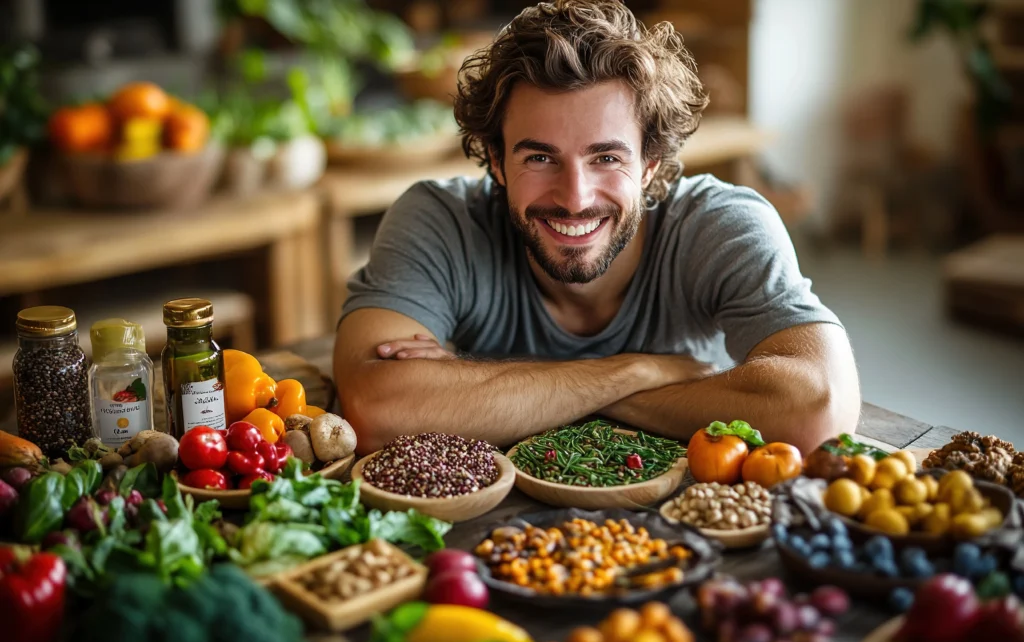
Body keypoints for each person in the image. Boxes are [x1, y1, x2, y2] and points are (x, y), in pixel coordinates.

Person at [334, 0, 860, 456]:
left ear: (651, 163)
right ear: (495, 161)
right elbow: (379, 407)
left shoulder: (721, 225)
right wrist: (642, 371)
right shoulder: (438, 220)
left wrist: (467, 387)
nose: (575, 198)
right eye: (540, 158)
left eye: (606, 157)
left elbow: (819, 409)